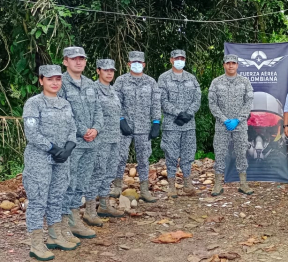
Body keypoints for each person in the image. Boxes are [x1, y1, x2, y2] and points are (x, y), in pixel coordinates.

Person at [22, 65, 78, 260]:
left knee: (57, 196)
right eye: (50, 79)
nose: (55, 83)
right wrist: (53, 149)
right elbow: (31, 133)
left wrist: (69, 147)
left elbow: (72, 128)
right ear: (41, 80)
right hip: (40, 158)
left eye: (58, 79)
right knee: (38, 199)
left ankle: (55, 235)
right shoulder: (34, 103)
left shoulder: (65, 104)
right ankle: (36, 243)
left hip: (62, 157)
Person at [58, 46, 102, 241]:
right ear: (65, 61)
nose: (78, 62)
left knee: (82, 182)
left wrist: (96, 128)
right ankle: (63, 223)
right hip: (72, 144)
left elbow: (99, 110)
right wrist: (83, 130)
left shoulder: (91, 84)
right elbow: (63, 113)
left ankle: (75, 219)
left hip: (91, 143)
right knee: (69, 182)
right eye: (74, 59)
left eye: (82, 58)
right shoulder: (61, 83)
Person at [111, 51, 162, 203]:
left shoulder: (151, 82)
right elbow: (115, 103)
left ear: (144, 64)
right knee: (120, 157)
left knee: (144, 159)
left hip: (144, 127)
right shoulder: (121, 81)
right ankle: (117, 186)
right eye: (134, 62)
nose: (137, 64)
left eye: (140, 62)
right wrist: (120, 120)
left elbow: (155, 103)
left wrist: (156, 123)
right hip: (124, 126)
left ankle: (145, 190)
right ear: (128, 64)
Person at [85, 59, 125, 227]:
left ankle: (104, 205)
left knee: (109, 171)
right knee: (97, 172)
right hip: (100, 138)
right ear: (98, 71)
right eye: (106, 70)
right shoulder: (93, 89)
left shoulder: (113, 90)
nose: (109, 73)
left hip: (115, 137)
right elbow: (90, 113)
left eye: (112, 70)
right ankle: (89, 210)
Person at [208, 54, 255, 195]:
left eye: (233, 63)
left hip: (240, 126)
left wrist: (238, 119)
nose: (230, 65)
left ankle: (243, 184)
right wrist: (224, 119)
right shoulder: (216, 82)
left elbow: (249, 102)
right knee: (220, 153)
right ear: (224, 65)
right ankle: (217, 184)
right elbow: (212, 103)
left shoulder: (245, 82)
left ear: (237, 65)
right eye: (228, 63)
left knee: (241, 153)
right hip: (222, 126)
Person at [158, 49, 201, 197]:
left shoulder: (191, 78)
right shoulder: (163, 78)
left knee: (188, 153)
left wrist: (189, 113)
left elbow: (197, 98)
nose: (179, 60)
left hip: (189, 124)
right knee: (171, 154)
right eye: (177, 58)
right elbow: (162, 100)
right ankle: (171, 186)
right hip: (172, 124)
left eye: (182, 58)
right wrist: (178, 113)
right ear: (171, 60)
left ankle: (187, 184)